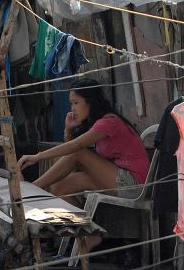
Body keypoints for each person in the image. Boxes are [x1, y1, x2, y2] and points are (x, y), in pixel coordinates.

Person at [18, 78, 149, 208]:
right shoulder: (96, 123)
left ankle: (30, 189)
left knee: (78, 152)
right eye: (71, 104)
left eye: (76, 103)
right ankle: (85, 225)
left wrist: (38, 156)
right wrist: (68, 129)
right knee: (59, 187)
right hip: (114, 177)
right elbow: (70, 153)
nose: (72, 108)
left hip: (133, 184)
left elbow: (75, 147)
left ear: (89, 102)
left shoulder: (109, 122)